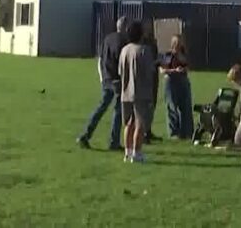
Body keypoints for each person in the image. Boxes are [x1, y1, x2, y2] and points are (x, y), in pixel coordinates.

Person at [77, 16, 127, 150]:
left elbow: (101, 59)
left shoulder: (107, 38)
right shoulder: (123, 41)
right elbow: (122, 63)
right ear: (125, 28)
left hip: (106, 78)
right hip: (117, 79)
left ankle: (85, 135)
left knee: (101, 108)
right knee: (118, 111)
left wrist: (102, 77)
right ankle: (114, 141)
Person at [117, 21, 158, 163]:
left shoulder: (124, 50)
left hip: (126, 91)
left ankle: (127, 152)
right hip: (141, 92)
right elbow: (149, 71)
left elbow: (120, 70)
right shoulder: (144, 50)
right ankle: (137, 152)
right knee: (140, 124)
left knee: (129, 123)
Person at [161, 35, 194, 139]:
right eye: (177, 43)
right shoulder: (168, 55)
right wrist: (174, 70)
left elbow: (188, 66)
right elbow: (162, 70)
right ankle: (174, 132)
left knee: (186, 107)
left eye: (181, 42)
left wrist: (185, 69)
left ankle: (187, 131)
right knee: (172, 107)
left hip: (183, 81)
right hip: (171, 81)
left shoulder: (184, 54)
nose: (179, 45)